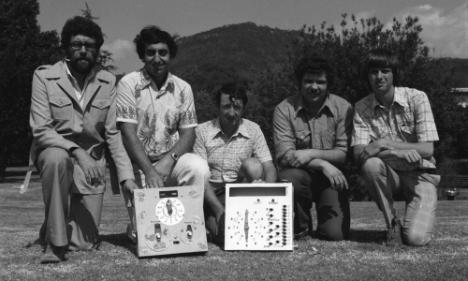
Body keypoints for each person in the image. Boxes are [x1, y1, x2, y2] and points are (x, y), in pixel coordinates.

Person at [29, 16, 138, 263]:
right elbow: (42, 130)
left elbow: (112, 133)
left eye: (89, 46)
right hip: (56, 154)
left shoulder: (108, 81)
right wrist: (77, 151)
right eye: (77, 44)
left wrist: (126, 177)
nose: (83, 50)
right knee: (57, 158)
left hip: (92, 168)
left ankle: (52, 224)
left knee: (84, 244)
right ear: (66, 47)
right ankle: (55, 245)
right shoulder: (44, 77)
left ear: (97, 51)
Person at [116, 26, 210, 242]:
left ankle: (191, 224)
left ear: (171, 55)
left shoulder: (183, 88)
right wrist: (149, 170)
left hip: (170, 161)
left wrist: (169, 161)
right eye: (151, 52)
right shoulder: (128, 84)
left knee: (198, 168)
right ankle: (136, 225)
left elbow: (188, 134)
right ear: (142, 55)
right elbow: (127, 132)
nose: (157, 58)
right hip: (139, 165)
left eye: (163, 52)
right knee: (147, 236)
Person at [352, 49, 440, 246]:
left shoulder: (417, 98)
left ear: (394, 74)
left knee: (416, 239)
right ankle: (392, 224)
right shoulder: (361, 107)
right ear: (368, 76)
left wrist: (384, 143)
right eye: (373, 72)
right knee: (371, 165)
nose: (379, 77)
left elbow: (427, 149)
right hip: (390, 174)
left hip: (421, 175)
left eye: (385, 71)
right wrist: (394, 152)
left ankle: (418, 205)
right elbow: (359, 153)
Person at [273, 56, 352, 241]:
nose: (314, 87)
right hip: (300, 178)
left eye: (320, 82)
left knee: (335, 234)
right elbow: (285, 156)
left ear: (328, 84)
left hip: (332, 180)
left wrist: (310, 153)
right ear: (300, 83)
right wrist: (323, 164)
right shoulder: (284, 109)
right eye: (308, 81)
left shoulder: (343, 108)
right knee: (290, 176)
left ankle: (325, 222)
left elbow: (342, 153)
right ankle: (301, 226)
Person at [193, 82, 277, 243]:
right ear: (217, 107)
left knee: (253, 165)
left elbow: (269, 166)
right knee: (225, 236)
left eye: (237, 107)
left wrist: (267, 191)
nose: (231, 113)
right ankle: (212, 216)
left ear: (243, 108)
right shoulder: (202, 131)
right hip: (211, 194)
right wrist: (219, 211)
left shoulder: (254, 129)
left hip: (241, 192)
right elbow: (199, 177)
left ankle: (255, 212)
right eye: (226, 107)